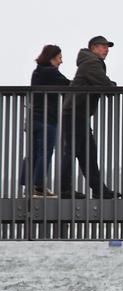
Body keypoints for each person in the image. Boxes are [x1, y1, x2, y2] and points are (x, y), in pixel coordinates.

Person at [61, 35, 119, 199]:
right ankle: (65, 189)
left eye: (107, 47)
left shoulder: (91, 62)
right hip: (75, 113)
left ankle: (99, 189)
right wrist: (111, 86)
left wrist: (109, 85)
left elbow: (103, 83)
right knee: (72, 152)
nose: (106, 50)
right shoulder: (92, 63)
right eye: (102, 46)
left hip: (77, 113)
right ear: (93, 47)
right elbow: (105, 85)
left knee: (88, 153)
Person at [27, 45, 70, 197]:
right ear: (52, 57)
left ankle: (28, 184)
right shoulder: (51, 72)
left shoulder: (37, 72)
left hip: (34, 117)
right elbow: (69, 86)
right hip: (47, 118)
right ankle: (39, 187)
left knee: (34, 151)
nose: (61, 61)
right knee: (45, 151)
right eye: (59, 58)